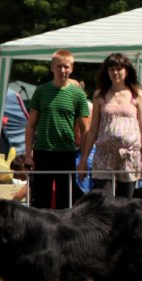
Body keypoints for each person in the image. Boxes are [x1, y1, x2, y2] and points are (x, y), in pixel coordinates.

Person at [77, 53, 142, 198]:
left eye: (119, 69)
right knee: (104, 200)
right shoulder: (100, 94)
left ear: (127, 70)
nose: (115, 73)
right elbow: (93, 130)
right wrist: (84, 160)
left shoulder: (137, 94)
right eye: (111, 69)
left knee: (125, 203)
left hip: (129, 155)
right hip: (104, 154)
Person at [24, 49, 90, 209]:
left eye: (66, 67)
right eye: (59, 66)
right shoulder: (41, 91)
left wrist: (83, 160)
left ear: (72, 68)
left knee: (65, 202)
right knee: (40, 201)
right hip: (42, 152)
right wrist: (28, 155)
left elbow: (86, 129)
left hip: (66, 153)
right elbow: (31, 125)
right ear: (52, 67)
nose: (62, 70)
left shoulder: (78, 95)